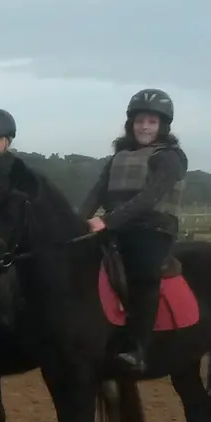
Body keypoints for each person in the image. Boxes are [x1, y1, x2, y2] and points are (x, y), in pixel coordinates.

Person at [78, 88, 186, 375]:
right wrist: (76, 221)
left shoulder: (170, 157)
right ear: (131, 124)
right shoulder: (119, 157)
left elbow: (148, 198)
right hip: (117, 227)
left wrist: (108, 221)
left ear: (163, 126)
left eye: (152, 122)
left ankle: (138, 347)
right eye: (140, 121)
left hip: (153, 229)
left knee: (144, 271)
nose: (145, 127)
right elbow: (96, 193)